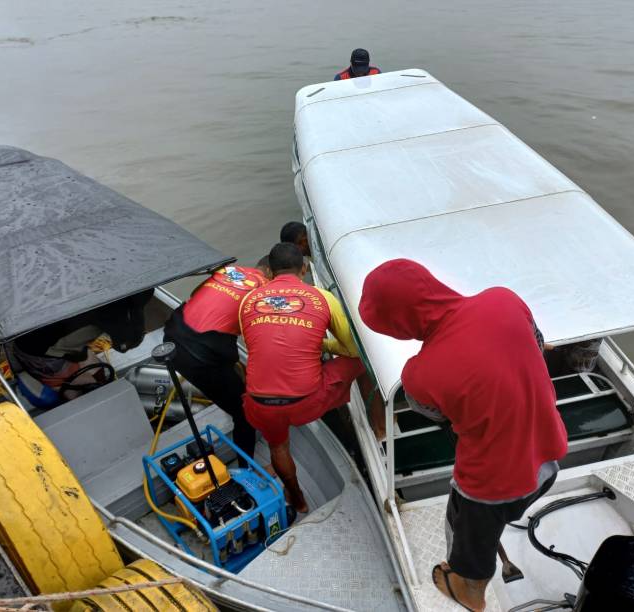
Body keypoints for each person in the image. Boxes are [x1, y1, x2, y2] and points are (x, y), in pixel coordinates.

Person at [359, 259, 568, 611]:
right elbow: (538, 343)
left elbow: (444, 418)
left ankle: (469, 591)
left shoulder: (418, 377)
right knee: (490, 524)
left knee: (468, 547)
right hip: (550, 457)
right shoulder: (503, 299)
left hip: (491, 490)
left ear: (398, 326)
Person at [240, 243, 367, 513]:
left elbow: (256, 345)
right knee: (362, 360)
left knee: (278, 447)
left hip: (261, 404)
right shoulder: (322, 297)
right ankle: (355, 413)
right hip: (307, 403)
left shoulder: (248, 301)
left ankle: (297, 500)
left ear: (270, 272)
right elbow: (353, 349)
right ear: (305, 268)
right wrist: (322, 345)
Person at [163, 260, 271, 467]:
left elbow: (195, 294)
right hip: (200, 358)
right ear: (270, 273)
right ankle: (245, 469)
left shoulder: (229, 270)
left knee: (231, 373)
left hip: (171, 337)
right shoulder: (264, 290)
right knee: (245, 413)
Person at [11, 289, 154, 407]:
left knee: (97, 369)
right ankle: (59, 388)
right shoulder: (118, 308)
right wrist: (136, 313)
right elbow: (125, 345)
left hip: (31, 330)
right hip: (40, 354)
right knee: (87, 392)